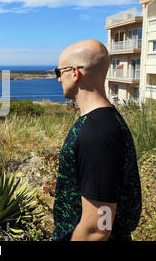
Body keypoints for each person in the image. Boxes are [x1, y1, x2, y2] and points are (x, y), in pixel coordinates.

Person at [52, 39, 142, 241]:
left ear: (75, 73)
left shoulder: (97, 134)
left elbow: (98, 229)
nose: (58, 79)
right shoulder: (103, 123)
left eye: (59, 72)